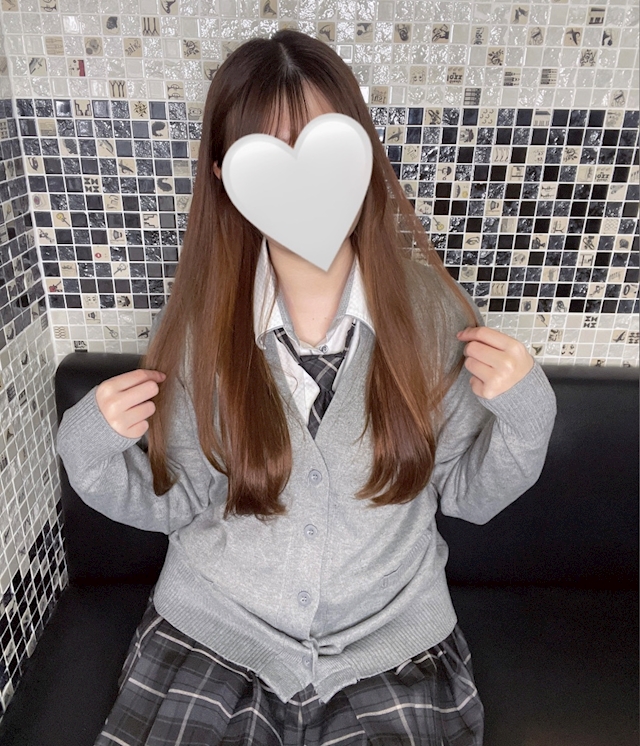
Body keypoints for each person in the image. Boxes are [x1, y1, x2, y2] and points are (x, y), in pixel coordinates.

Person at [56, 29, 557, 746]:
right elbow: (178, 502)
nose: (301, 177)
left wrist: (528, 411)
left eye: (322, 144)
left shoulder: (433, 314)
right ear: (226, 176)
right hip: (215, 634)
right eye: (270, 153)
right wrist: (86, 446)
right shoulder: (199, 326)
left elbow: (469, 496)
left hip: (392, 644)